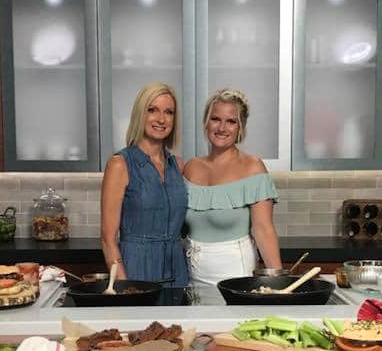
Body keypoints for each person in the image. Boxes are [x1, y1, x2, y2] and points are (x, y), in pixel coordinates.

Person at [183, 88, 281, 285]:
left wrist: (279, 284)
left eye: (231, 121)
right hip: (192, 276)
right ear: (206, 122)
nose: (222, 127)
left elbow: (264, 230)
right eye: (215, 119)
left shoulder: (252, 167)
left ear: (240, 127)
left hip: (236, 273)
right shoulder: (191, 168)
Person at [100, 82, 189, 286]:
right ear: (141, 114)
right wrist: (124, 287)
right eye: (152, 110)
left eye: (169, 112)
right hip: (136, 270)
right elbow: (108, 238)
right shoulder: (120, 164)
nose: (161, 119)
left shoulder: (178, 165)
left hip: (178, 272)